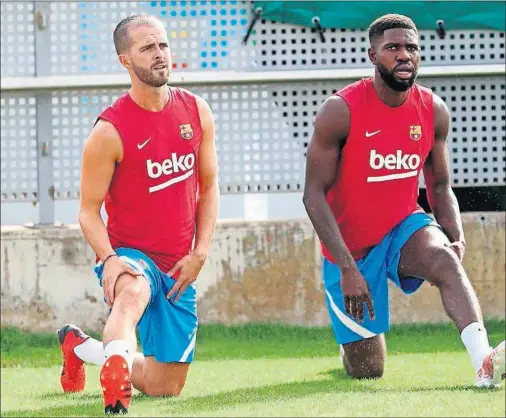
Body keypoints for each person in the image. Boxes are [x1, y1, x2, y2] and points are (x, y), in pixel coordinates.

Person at [303, 14, 505, 387]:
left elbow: (440, 186)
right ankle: (350, 349)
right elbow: (312, 196)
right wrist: (348, 269)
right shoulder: (339, 111)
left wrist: (455, 235)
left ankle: (484, 362)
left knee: (443, 258)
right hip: (350, 249)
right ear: (372, 55)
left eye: (411, 47)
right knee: (368, 370)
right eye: (392, 48)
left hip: (402, 226)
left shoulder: (433, 110)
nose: (404, 55)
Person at [56, 13, 219, 414]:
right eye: (148, 48)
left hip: (179, 264)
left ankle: (81, 347)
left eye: (162, 45)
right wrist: (110, 260)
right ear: (125, 61)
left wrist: (200, 252)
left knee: (167, 387)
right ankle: (114, 375)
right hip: (131, 254)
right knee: (131, 295)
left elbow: (210, 187)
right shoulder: (108, 132)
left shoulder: (196, 111)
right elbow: (88, 212)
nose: (160, 54)